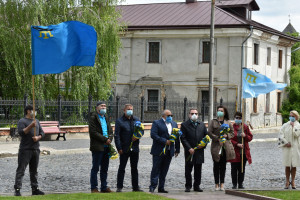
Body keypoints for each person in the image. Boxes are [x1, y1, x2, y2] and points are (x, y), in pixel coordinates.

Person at [14, 105, 45, 196]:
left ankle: (35, 189)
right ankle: (18, 189)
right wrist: (31, 126)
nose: (34, 112)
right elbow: (21, 132)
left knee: (34, 171)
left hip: (35, 149)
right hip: (25, 149)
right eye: (33, 110)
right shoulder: (22, 121)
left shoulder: (37, 121)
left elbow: (42, 133)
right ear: (28, 111)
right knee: (21, 170)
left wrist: (38, 137)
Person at [149, 109, 180, 193]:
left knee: (164, 170)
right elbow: (153, 135)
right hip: (158, 150)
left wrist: (177, 149)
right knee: (156, 169)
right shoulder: (157, 123)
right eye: (168, 115)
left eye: (171, 115)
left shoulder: (174, 124)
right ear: (163, 116)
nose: (170, 117)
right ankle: (152, 186)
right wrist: (165, 141)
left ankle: (161, 187)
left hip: (169, 151)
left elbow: (176, 137)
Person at [114, 104, 143, 192]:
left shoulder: (136, 120)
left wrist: (137, 136)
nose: (130, 110)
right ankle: (119, 187)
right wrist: (119, 148)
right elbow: (117, 136)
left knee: (134, 168)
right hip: (124, 148)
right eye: (128, 109)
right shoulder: (119, 121)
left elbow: (141, 130)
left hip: (134, 148)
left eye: (131, 109)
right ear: (124, 110)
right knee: (122, 168)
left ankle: (135, 187)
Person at [208, 105, 235, 191]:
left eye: (221, 111)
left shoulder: (228, 122)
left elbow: (232, 133)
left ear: (225, 112)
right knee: (216, 164)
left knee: (223, 165)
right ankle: (216, 184)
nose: (220, 112)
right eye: (218, 110)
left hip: (225, 146)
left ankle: (222, 184)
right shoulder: (213, 121)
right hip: (216, 146)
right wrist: (217, 138)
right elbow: (209, 132)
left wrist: (227, 136)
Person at [180, 108, 208, 192]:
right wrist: (189, 148)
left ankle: (197, 186)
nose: (194, 115)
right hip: (189, 151)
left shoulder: (202, 124)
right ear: (189, 114)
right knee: (188, 169)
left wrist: (203, 145)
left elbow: (206, 137)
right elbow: (183, 138)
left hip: (199, 151)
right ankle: (188, 186)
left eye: (196, 113)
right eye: (192, 113)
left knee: (198, 169)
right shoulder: (184, 125)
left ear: (198, 114)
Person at [89, 101, 114, 193]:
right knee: (95, 168)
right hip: (97, 146)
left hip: (106, 146)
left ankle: (104, 187)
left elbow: (110, 131)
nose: (104, 108)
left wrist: (110, 139)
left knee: (104, 168)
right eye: (102, 106)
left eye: (105, 106)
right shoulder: (93, 118)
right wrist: (105, 139)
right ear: (97, 108)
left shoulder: (106, 117)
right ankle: (94, 187)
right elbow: (93, 132)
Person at [228, 112, 253, 189]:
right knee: (234, 169)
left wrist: (245, 136)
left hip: (243, 152)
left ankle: (240, 183)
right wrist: (236, 144)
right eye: (236, 118)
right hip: (234, 151)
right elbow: (229, 139)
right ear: (234, 118)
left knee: (242, 168)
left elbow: (250, 138)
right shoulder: (231, 127)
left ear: (241, 119)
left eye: (239, 118)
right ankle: (234, 184)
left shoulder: (245, 127)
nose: (238, 119)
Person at [278, 110, 300, 189]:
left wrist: (293, 127)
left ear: (296, 117)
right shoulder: (285, 125)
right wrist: (285, 142)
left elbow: (297, 135)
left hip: (295, 148)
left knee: (294, 165)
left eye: (293, 116)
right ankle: (287, 181)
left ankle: (293, 181)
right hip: (287, 148)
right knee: (287, 165)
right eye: (290, 116)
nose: (291, 117)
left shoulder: (298, 125)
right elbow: (281, 135)